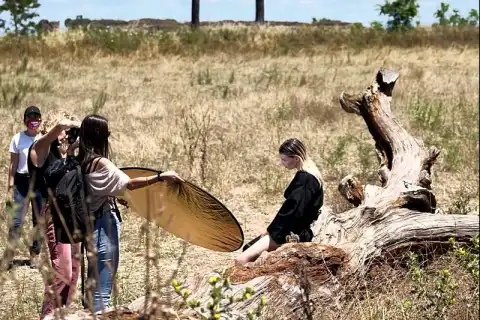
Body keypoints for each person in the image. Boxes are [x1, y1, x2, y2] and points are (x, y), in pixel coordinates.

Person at [77, 114, 184, 313]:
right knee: (102, 291)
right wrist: (161, 176)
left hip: (91, 228)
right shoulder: (101, 163)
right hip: (104, 228)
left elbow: (100, 189)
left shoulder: (82, 160)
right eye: (107, 131)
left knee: (93, 287)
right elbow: (129, 183)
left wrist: (114, 194)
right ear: (101, 135)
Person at [27, 110, 83, 320]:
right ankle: (48, 316)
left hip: (73, 213)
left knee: (74, 271)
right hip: (55, 213)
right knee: (63, 270)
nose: (67, 133)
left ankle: (62, 314)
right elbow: (50, 135)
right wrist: (64, 125)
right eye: (64, 129)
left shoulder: (66, 152)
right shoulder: (40, 148)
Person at [235, 138, 324, 266]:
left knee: (241, 260)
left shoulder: (306, 179)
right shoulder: (310, 174)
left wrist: (270, 230)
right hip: (294, 229)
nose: (282, 163)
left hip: (291, 233)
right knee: (249, 247)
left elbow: (292, 211)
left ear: (296, 158)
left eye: (284, 160)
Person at [1, 106, 44, 271]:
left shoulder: (43, 138)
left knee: (38, 220)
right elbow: (13, 163)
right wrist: (10, 182)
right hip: (21, 182)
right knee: (17, 220)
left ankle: (35, 254)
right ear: (25, 120)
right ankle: (10, 255)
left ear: (40, 120)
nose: (33, 121)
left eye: (36, 117)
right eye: (30, 117)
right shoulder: (17, 138)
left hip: (39, 182)